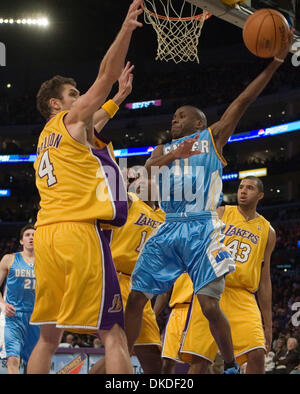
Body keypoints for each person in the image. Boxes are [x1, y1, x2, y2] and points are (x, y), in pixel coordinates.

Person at [124, 32, 293, 374]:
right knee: (135, 298)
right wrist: (161, 161)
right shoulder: (160, 151)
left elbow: (242, 102)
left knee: (209, 304)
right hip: (169, 225)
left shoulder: (211, 138)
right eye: (173, 116)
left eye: (181, 115)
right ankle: (120, 357)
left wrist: (274, 64)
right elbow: (148, 182)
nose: (174, 118)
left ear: (199, 123)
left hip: (201, 226)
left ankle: (229, 364)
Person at [27, 0, 144, 374]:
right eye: (74, 93)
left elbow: (94, 122)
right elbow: (106, 74)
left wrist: (119, 99)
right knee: (114, 333)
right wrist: (125, 29)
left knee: (48, 337)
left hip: (46, 235)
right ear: (55, 103)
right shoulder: (70, 117)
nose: (81, 98)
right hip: (79, 233)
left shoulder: (48, 138)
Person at [179, 176, 276, 374]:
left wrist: (268, 324)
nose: (243, 191)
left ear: (260, 195)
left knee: (257, 352)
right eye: (241, 187)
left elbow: (265, 280)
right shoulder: (223, 212)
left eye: (249, 188)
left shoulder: (268, 230)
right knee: (200, 361)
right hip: (213, 289)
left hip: (244, 296)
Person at [89, 170, 165, 374]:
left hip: (141, 288)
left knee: (153, 356)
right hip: (117, 279)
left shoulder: (164, 217)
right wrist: (119, 174)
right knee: (122, 348)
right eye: (139, 184)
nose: (142, 186)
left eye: (148, 183)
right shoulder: (129, 203)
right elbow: (116, 190)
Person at [0, 225, 40, 374]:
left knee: (33, 364)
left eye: (34, 235)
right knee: (13, 359)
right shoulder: (9, 259)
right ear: (21, 241)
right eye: (27, 235)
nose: (31, 237)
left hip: (36, 317)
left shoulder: (46, 262)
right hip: (13, 316)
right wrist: (3, 304)